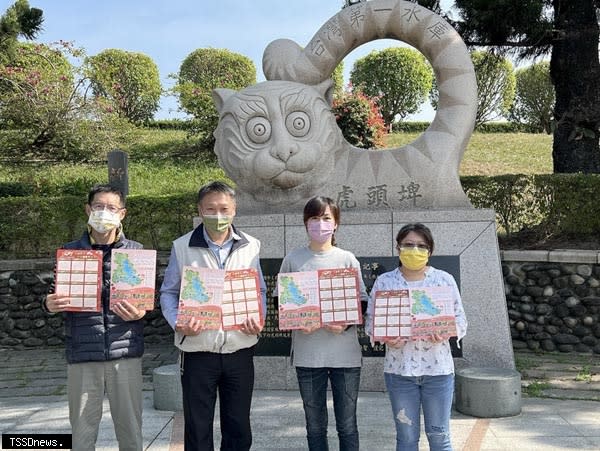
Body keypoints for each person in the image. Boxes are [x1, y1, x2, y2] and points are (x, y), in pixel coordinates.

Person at [160, 181, 266, 451]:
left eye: (224, 209)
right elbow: (168, 293)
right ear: (200, 209)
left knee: (239, 425)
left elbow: (260, 290)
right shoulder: (182, 246)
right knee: (197, 426)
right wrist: (178, 323)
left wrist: (258, 318)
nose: (218, 215)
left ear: (234, 210)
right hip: (197, 350)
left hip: (240, 348)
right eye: (211, 209)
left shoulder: (251, 246)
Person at [43, 183, 146, 451]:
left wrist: (142, 310)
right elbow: (54, 294)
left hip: (125, 353)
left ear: (122, 214)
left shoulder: (135, 253)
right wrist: (49, 303)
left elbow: (147, 300)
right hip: (82, 353)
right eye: (98, 206)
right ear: (88, 210)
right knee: (81, 434)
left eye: (111, 208)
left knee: (131, 432)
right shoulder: (70, 253)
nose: (104, 212)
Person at [277, 196, 367, 451]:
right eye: (314, 218)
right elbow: (279, 301)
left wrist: (346, 325)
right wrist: (297, 321)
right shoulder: (293, 260)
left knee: (347, 425)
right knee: (314, 426)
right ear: (306, 223)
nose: (320, 224)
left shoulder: (347, 259)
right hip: (308, 356)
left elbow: (361, 302)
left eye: (326, 218)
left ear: (336, 223)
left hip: (346, 357)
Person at [367, 223, 468, 451]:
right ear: (398, 248)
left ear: (430, 251)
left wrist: (447, 331)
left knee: (440, 437)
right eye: (408, 245)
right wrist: (384, 337)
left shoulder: (444, 280)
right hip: (399, 371)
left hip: (438, 371)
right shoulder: (385, 282)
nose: (415, 250)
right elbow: (370, 321)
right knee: (406, 438)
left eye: (421, 246)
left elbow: (461, 321)